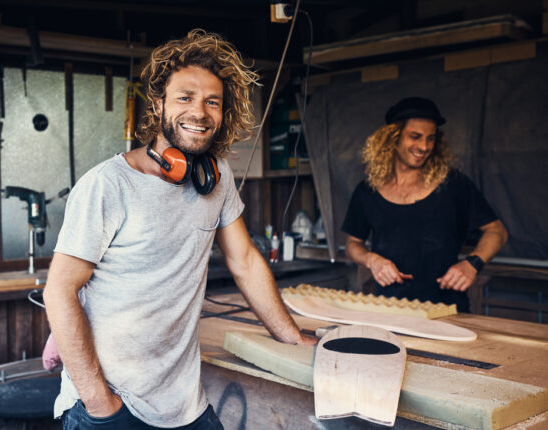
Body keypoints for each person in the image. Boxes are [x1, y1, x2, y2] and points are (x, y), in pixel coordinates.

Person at [43, 29, 316, 429]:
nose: (200, 112)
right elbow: (59, 290)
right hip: (112, 404)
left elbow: (244, 261)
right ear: (158, 106)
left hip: (185, 403)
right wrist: (100, 401)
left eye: (212, 102)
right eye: (185, 98)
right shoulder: (109, 185)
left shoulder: (217, 176)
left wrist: (291, 337)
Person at [342, 97, 508, 312]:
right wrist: (372, 260)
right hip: (389, 310)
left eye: (431, 139)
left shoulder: (452, 185)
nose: (424, 146)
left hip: (447, 312)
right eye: (415, 137)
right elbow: (352, 244)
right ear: (392, 138)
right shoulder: (367, 191)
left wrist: (472, 264)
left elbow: (497, 231)